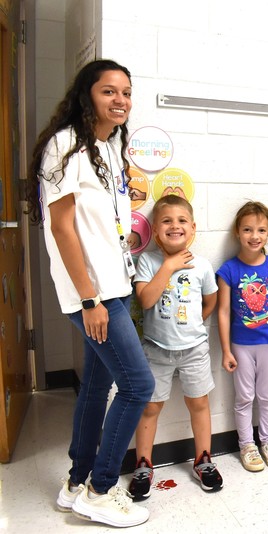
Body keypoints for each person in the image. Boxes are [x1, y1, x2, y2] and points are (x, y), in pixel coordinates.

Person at [26, 59, 154, 527]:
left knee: (99, 386)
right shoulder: (66, 145)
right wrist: (89, 299)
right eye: (108, 91)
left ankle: (76, 481)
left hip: (112, 286)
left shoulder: (107, 149)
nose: (120, 100)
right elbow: (62, 228)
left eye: (126, 91)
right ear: (87, 96)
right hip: (92, 294)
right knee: (139, 385)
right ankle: (101, 490)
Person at [129, 195, 221, 498]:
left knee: (199, 403)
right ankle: (143, 463)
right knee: (151, 407)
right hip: (156, 350)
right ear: (155, 230)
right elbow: (145, 300)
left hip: (194, 349)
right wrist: (168, 266)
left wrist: (194, 324)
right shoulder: (148, 261)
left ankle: (204, 460)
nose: (175, 226)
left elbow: (211, 300)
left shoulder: (203, 266)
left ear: (192, 228)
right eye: (167, 221)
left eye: (182, 221)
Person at [217, 201, 268, 472]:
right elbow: (223, 312)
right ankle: (247, 444)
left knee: (267, 396)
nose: (254, 235)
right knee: (244, 397)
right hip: (242, 345)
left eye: (261, 229)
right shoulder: (228, 270)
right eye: (247, 229)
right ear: (238, 232)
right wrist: (226, 350)